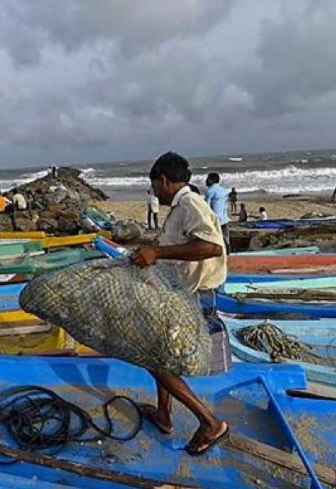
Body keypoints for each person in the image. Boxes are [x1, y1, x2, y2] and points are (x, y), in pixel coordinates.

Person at [130, 151, 230, 457]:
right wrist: (152, 252)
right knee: (161, 350)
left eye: (154, 186)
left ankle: (209, 422)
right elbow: (181, 245)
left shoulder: (189, 203)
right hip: (184, 292)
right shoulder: (180, 207)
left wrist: (158, 255)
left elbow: (211, 247)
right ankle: (163, 414)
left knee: (156, 359)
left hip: (199, 295)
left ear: (162, 180)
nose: (154, 193)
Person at [204, 173, 230, 254]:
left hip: (215, 219)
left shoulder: (210, 191)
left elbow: (206, 206)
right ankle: (228, 253)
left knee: (214, 238)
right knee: (226, 238)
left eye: (207, 179)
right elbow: (226, 205)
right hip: (224, 218)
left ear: (211, 180)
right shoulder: (224, 190)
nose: (206, 181)